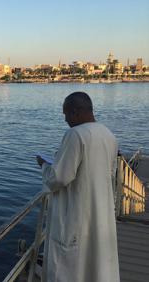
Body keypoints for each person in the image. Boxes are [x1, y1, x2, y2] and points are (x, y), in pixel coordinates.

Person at [36, 92, 119, 282]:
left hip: (76, 215)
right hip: (100, 212)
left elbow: (59, 177)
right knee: (96, 263)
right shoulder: (108, 135)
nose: (65, 120)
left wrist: (44, 165)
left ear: (75, 112)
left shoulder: (75, 135)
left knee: (71, 268)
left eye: (66, 114)